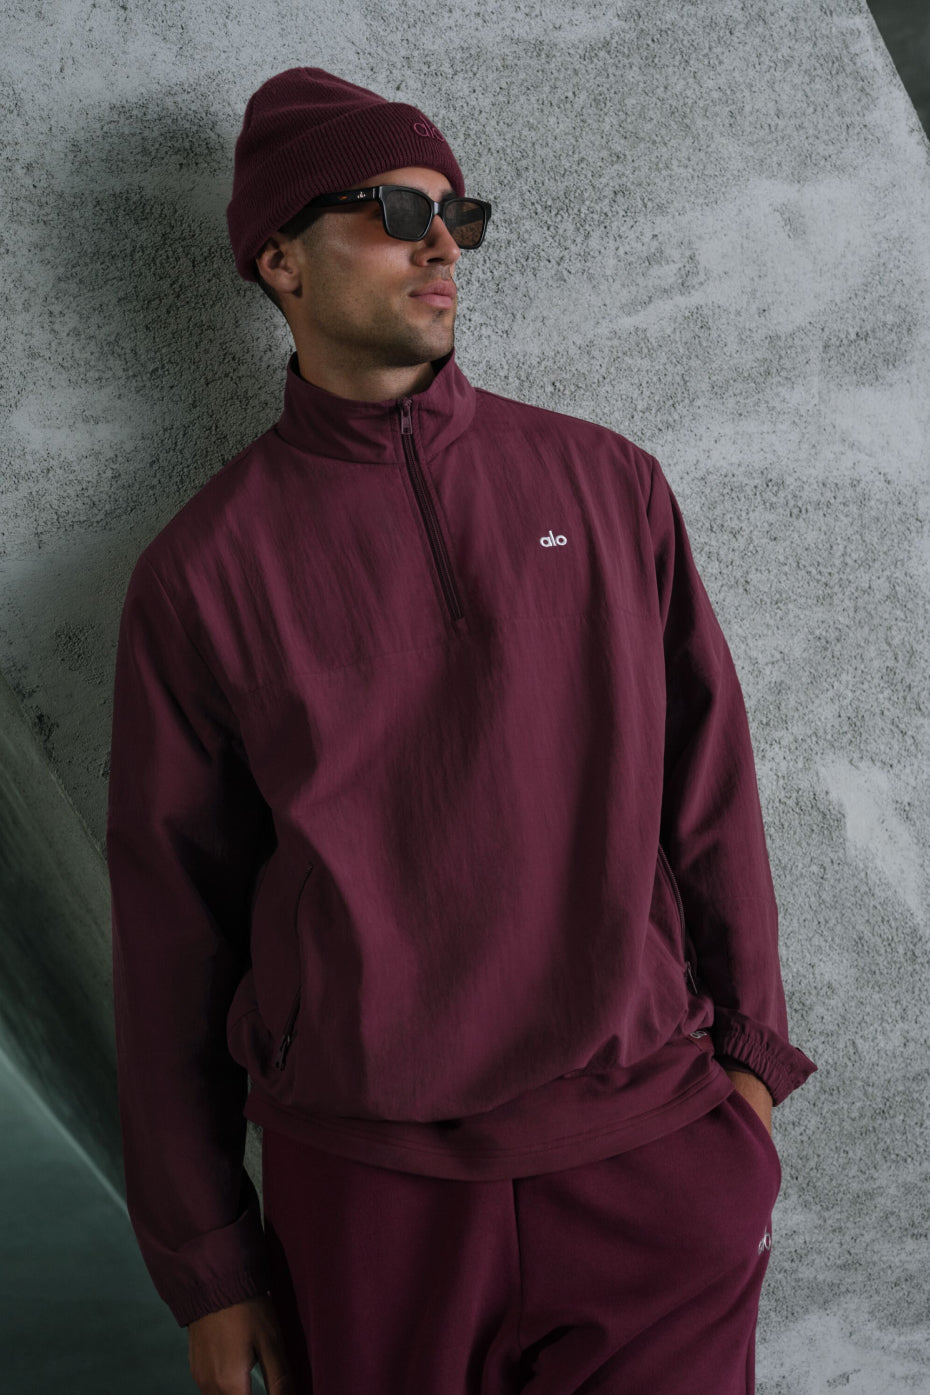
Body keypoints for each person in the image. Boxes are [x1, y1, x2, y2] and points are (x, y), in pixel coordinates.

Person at [105, 66, 817, 1395]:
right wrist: (210, 1264)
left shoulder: (606, 485)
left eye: (457, 214)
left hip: (651, 1157)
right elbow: (170, 935)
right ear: (279, 262)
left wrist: (748, 1077)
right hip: (371, 1195)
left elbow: (710, 789)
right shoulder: (203, 573)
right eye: (392, 211)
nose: (441, 244)